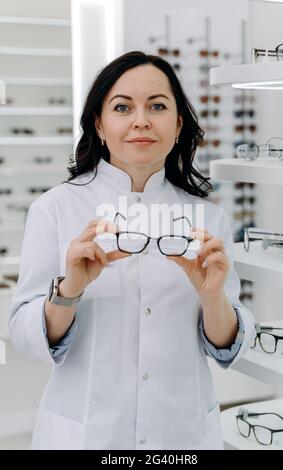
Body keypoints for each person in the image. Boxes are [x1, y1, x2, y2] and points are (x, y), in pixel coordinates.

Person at [8, 50, 255, 450]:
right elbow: (23, 333)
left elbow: (227, 346)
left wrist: (212, 298)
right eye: (123, 107)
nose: (141, 119)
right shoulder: (54, 209)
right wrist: (68, 290)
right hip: (86, 435)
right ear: (99, 125)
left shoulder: (208, 219)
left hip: (181, 433)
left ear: (177, 125)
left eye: (157, 106)